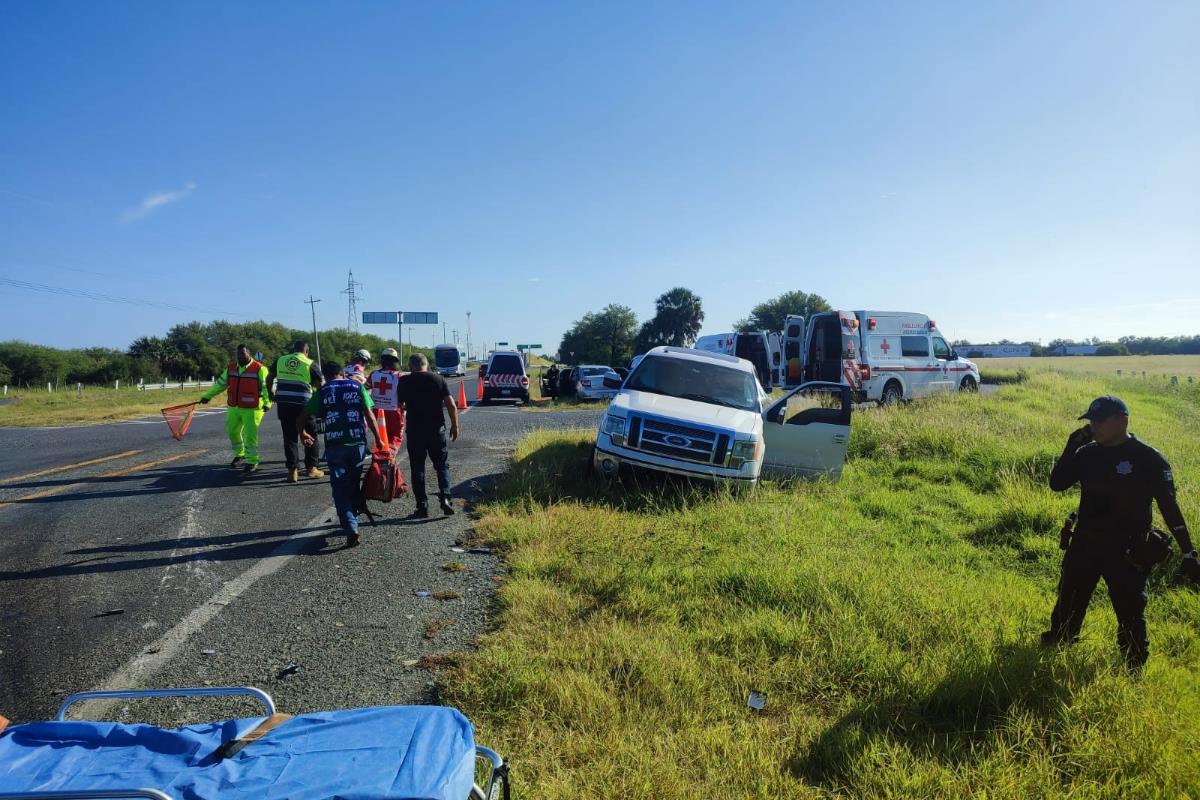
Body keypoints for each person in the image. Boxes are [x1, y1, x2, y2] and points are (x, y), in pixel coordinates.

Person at [1042, 395, 1199, 668]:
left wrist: (1188, 551)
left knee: (1130, 614)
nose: (1094, 426)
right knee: (1068, 604)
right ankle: (1057, 650)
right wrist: (1071, 446)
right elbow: (1058, 484)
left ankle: (1134, 667)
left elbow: (1169, 507)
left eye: (1100, 421)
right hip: (1085, 544)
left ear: (1122, 421)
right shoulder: (1087, 453)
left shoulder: (1148, 459)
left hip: (1128, 551)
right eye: (1091, 420)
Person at [299, 362, 383, 547]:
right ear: (342, 373)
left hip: (335, 444)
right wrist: (378, 438)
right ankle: (352, 517)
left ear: (326, 376)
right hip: (357, 443)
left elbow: (304, 415)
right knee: (353, 483)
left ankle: (351, 525)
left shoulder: (323, 391)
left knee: (339, 488)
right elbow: (369, 414)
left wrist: (302, 433)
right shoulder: (356, 386)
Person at [397, 353, 460, 518]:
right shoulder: (438, 380)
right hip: (436, 431)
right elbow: (451, 405)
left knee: (417, 469)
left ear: (411, 367)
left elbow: (400, 405)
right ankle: (446, 498)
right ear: (426, 364)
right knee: (442, 466)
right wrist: (455, 426)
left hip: (415, 432)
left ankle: (422, 506)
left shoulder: (404, 381)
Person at [200, 344, 271, 473]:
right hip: (234, 406)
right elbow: (220, 384)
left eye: (243, 353)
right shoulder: (231, 368)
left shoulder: (260, 369)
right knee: (232, 432)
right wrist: (207, 396)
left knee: (250, 435)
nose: (240, 356)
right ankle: (240, 455)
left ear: (249, 353)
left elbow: (267, 387)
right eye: (238, 354)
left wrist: (268, 403)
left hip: (253, 407)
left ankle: (252, 461)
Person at [268, 339, 325, 483]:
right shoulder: (310, 363)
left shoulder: (281, 360)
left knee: (289, 437)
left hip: (284, 403)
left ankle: (292, 471)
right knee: (311, 434)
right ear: (306, 351)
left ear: (293, 350)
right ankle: (311, 468)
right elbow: (321, 386)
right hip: (304, 406)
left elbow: (269, 377)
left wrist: (271, 393)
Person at [367, 348, 409, 494]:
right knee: (394, 442)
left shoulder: (374, 374)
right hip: (394, 413)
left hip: (377, 414)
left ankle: (386, 474)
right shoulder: (399, 376)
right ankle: (387, 478)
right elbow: (404, 396)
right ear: (395, 362)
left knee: (382, 442)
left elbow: (364, 389)